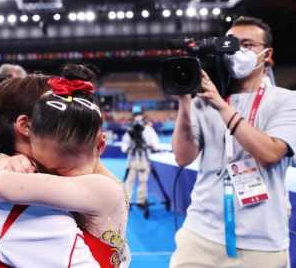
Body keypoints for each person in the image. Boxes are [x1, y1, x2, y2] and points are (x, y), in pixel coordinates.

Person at [0, 64, 131, 267]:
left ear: (100, 146)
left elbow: (0, 185)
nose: (56, 176)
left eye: (62, 170)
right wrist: (1, 161)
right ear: (27, 128)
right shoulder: (76, 161)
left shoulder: (101, 187)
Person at [170, 17, 296, 268]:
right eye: (231, 45)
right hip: (199, 233)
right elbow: (183, 157)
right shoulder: (202, 101)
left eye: (247, 45)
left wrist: (220, 105)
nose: (238, 52)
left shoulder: (286, 100)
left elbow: (269, 154)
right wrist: (185, 102)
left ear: (267, 53)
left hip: (262, 242)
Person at [121, 113, 160, 206]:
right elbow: (125, 145)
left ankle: (141, 200)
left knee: (143, 180)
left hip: (144, 158)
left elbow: (155, 144)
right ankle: (128, 200)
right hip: (133, 158)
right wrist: (127, 148)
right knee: (129, 180)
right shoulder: (130, 130)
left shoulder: (149, 130)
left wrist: (150, 146)